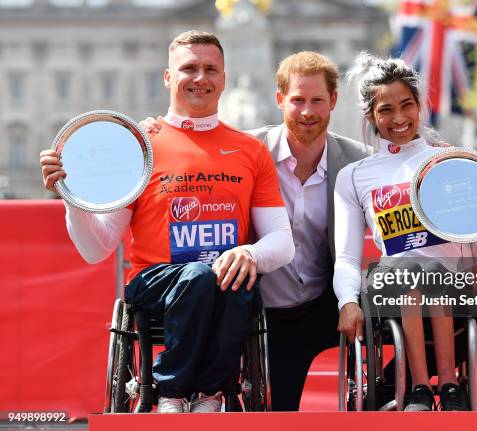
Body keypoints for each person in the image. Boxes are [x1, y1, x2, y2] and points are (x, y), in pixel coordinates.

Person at [39, 30, 295, 414]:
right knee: (198, 275)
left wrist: (250, 253)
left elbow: (282, 243)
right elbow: (97, 249)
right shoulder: (141, 145)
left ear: (224, 79)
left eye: (211, 69)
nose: (200, 78)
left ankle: (210, 394)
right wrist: (72, 199)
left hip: (224, 285)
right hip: (156, 283)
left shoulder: (249, 150)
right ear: (168, 77)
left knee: (238, 281)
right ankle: (170, 392)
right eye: (189, 68)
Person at [140, 51, 370, 411]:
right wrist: (152, 133)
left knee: (402, 298)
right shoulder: (244, 150)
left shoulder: (358, 160)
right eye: (297, 100)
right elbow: (191, 146)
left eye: (317, 100)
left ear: (333, 102)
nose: (307, 111)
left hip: (325, 306)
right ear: (280, 101)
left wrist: (439, 166)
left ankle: (405, 391)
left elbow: (399, 178)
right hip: (260, 313)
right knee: (277, 412)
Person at [333, 52, 477, 411]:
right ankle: (420, 386)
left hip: (451, 287)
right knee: (412, 270)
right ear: (370, 116)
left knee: (431, 270)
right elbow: (346, 255)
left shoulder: (454, 161)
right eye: (385, 109)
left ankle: (448, 385)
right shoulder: (355, 176)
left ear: (420, 106)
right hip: (389, 285)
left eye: (407, 105)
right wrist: (347, 302)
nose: (399, 118)